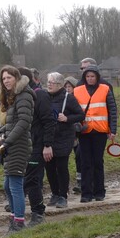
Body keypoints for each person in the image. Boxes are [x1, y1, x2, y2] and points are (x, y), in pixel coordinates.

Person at [0, 65, 35, 231]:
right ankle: (14, 219)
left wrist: (7, 142)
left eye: (9, 78)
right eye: (3, 79)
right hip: (12, 145)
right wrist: (2, 131)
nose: (6, 81)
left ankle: (19, 223)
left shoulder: (24, 96)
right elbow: (13, 122)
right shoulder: (13, 97)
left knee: (15, 186)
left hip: (19, 146)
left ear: (16, 78)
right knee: (7, 185)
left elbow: (24, 122)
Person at [73, 65, 117, 203]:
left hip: (100, 131)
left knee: (98, 162)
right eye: (88, 76)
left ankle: (99, 192)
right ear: (84, 77)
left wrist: (113, 130)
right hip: (84, 131)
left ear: (97, 77)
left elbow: (112, 110)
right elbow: (73, 110)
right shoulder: (77, 90)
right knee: (85, 162)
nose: (90, 79)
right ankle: (86, 193)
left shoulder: (105, 89)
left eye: (92, 76)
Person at [42, 72, 84, 209]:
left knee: (61, 167)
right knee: (49, 167)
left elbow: (80, 114)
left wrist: (67, 118)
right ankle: (54, 193)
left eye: (52, 82)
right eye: (48, 81)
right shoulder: (44, 98)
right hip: (48, 136)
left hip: (64, 137)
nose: (48, 84)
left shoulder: (69, 98)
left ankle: (63, 196)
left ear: (59, 85)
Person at [20, 67, 56, 226]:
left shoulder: (40, 95)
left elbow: (49, 121)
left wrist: (47, 145)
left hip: (37, 145)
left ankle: (38, 213)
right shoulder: (17, 97)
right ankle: (18, 214)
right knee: (20, 180)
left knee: (32, 179)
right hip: (22, 146)